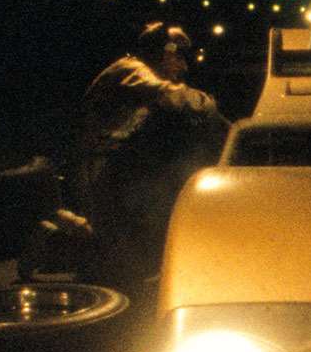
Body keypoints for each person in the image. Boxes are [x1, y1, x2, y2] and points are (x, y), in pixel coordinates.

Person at [78, 21, 226, 289]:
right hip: (102, 165)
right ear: (162, 52)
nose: (183, 66)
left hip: (114, 163)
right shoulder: (131, 70)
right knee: (115, 258)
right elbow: (178, 100)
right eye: (177, 56)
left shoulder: (137, 72)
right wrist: (209, 106)